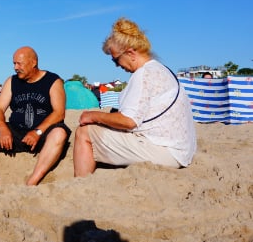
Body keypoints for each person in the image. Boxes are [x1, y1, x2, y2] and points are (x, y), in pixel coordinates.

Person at [73, 18, 197, 178]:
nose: (117, 65)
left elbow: (129, 121)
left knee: (84, 133)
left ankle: (81, 184)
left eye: (115, 59)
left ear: (131, 53)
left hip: (166, 151)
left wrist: (93, 115)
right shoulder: (161, 69)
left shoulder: (143, 74)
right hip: (181, 150)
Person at [0, 46, 71, 186]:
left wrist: (38, 132)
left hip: (42, 136)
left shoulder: (53, 81)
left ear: (33, 62)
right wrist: (3, 128)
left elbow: (59, 112)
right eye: (14, 63)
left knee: (60, 133)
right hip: (15, 133)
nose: (15, 67)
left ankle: (32, 181)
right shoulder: (12, 81)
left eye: (19, 63)